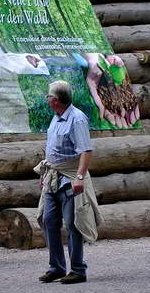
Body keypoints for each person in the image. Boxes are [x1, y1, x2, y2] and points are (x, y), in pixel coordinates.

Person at [34, 80, 101, 285]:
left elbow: (86, 150)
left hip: (70, 178)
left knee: (73, 223)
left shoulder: (77, 119)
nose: (47, 100)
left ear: (55, 100)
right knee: (48, 220)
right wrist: (44, 175)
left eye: (48, 97)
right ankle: (57, 267)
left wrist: (79, 177)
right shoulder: (56, 117)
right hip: (53, 177)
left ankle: (78, 269)